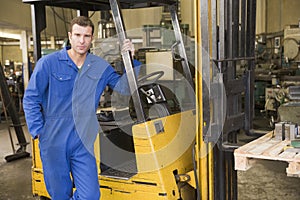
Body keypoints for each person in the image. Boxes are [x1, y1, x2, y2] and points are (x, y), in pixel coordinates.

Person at [23, 16, 140, 200]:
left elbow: (124, 88)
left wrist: (131, 60)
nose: (82, 40)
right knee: (60, 195)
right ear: (70, 36)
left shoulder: (99, 66)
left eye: (86, 35)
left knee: (91, 195)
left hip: (82, 141)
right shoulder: (49, 63)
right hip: (53, 140)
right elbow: (31, 98)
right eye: (77, 35)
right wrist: (38, 131)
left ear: (92, 38)